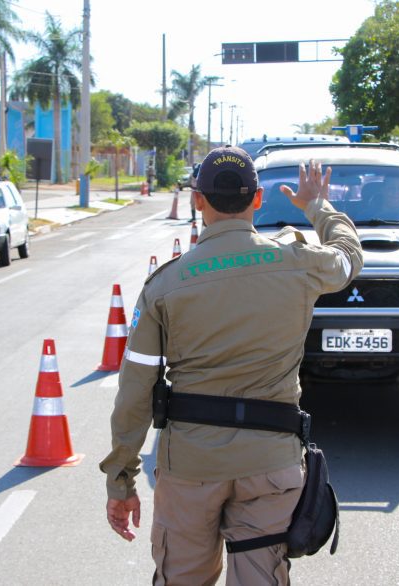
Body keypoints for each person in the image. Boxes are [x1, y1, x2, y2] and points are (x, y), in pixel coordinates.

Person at [101, 146, 363, 585]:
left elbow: (135, 392)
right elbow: (348, 255)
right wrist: (317, 204)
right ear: (258, 199)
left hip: (190, 469)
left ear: (197, 201)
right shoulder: (299, 263)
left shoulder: (166, 285)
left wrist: (121, 479)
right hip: (271, 464)